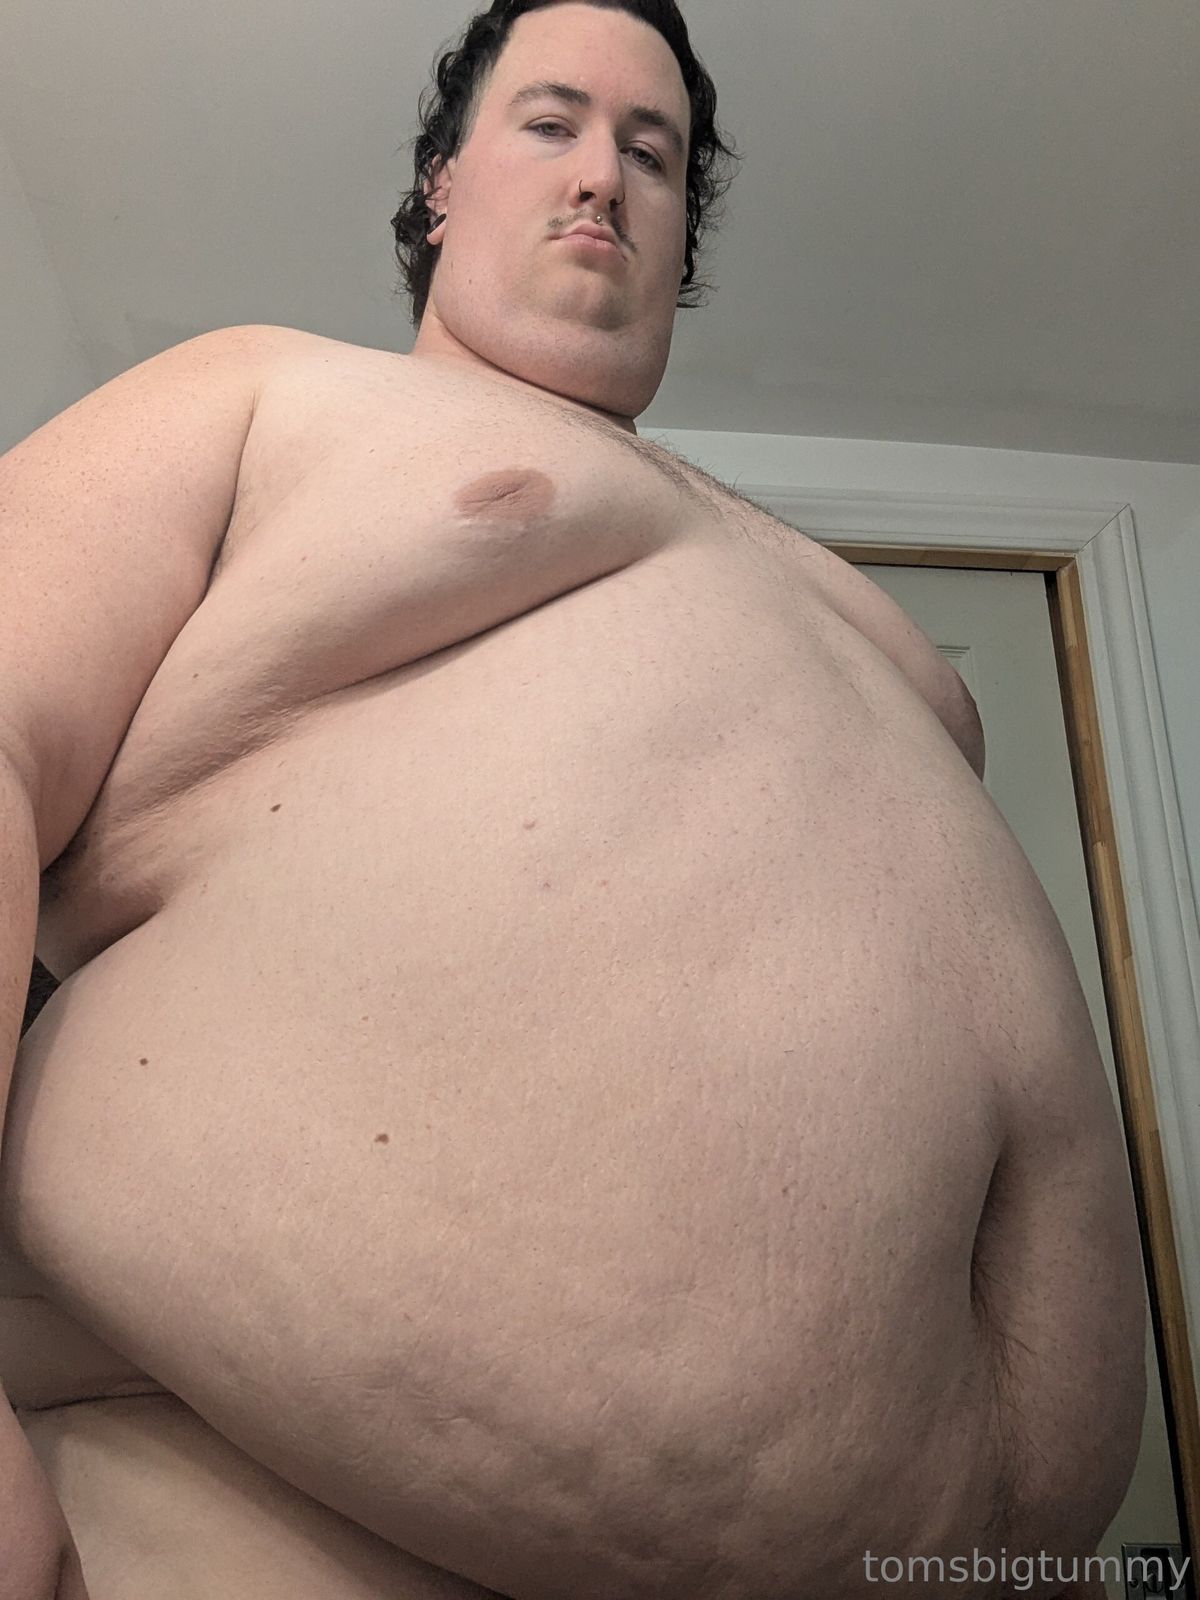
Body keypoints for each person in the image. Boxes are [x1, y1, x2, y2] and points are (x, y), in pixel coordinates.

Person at [0, 1, 1147, 1596]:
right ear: (438, 185)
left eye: (651, 152)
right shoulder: (263, 395)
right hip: (266, 1506)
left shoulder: (821, 587)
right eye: (552, 123)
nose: (604, 173)